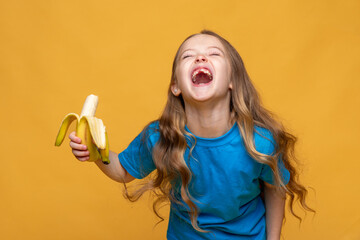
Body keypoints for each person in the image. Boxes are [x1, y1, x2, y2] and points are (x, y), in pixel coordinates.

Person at [68, 30, 314, 240]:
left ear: (232, 80)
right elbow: (122, 169)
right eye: (188, 56)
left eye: (214, 54)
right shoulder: (160, 137)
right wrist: (96, 153)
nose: (200, 57)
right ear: (176, 86)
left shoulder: (259, 141)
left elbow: (275, 188)